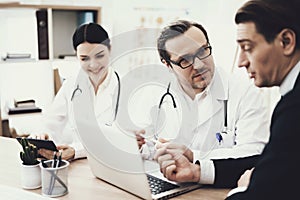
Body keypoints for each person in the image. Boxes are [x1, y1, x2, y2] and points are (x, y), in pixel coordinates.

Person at [149, 19, 270, 187]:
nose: (198, 65)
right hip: (172, 187)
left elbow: (254, 154)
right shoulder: (159, 94)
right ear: (168, 65)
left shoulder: (245, 92)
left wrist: (194, 156)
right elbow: (151, 143)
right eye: (185, 60)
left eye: (202, 51)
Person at [226, 0, 300, 199]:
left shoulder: (294, 108)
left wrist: (244, 189)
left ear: (286, 42)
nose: (241, 62)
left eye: (248, 47)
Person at [31, 23, 119, 160]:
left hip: (112, 163)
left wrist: (75, 151)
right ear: (76, 56)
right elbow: (51, 121)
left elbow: (119, 139)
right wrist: (42, 135)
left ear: (110, 49)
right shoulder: (71, 85)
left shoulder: (124, 88)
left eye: (99, 56)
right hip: (79, 166)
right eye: (84, 58)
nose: (93, 65)